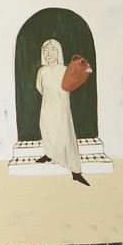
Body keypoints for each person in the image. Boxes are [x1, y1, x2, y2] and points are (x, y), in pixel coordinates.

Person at [35, 38, 90, 187]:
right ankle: (49, 154)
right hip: (47, 106)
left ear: (59, 52)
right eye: (46, 50)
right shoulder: (42, 71)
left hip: (61, 108)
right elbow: (39, 88)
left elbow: (72, 83)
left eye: (53, 50)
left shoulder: (65, 70)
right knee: (46, 129)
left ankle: (75, 172)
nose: (49, 53)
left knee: (65, 136)